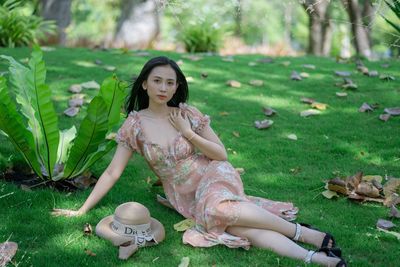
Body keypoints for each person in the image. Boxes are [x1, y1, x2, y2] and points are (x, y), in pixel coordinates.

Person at [52, 56, 346, 266]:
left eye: (170, 82)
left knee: (219, 208)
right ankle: (316, 258)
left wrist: (187, 133)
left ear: (177, 86)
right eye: (157, 81)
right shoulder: (134, 126)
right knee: (233, 227)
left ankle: (306, 234)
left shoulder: (187, 114)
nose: (163, 88)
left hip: (213, 174)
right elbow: (113, 172)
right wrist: (82, 211)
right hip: (184, 194)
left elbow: (221, 154)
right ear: (144, 85)